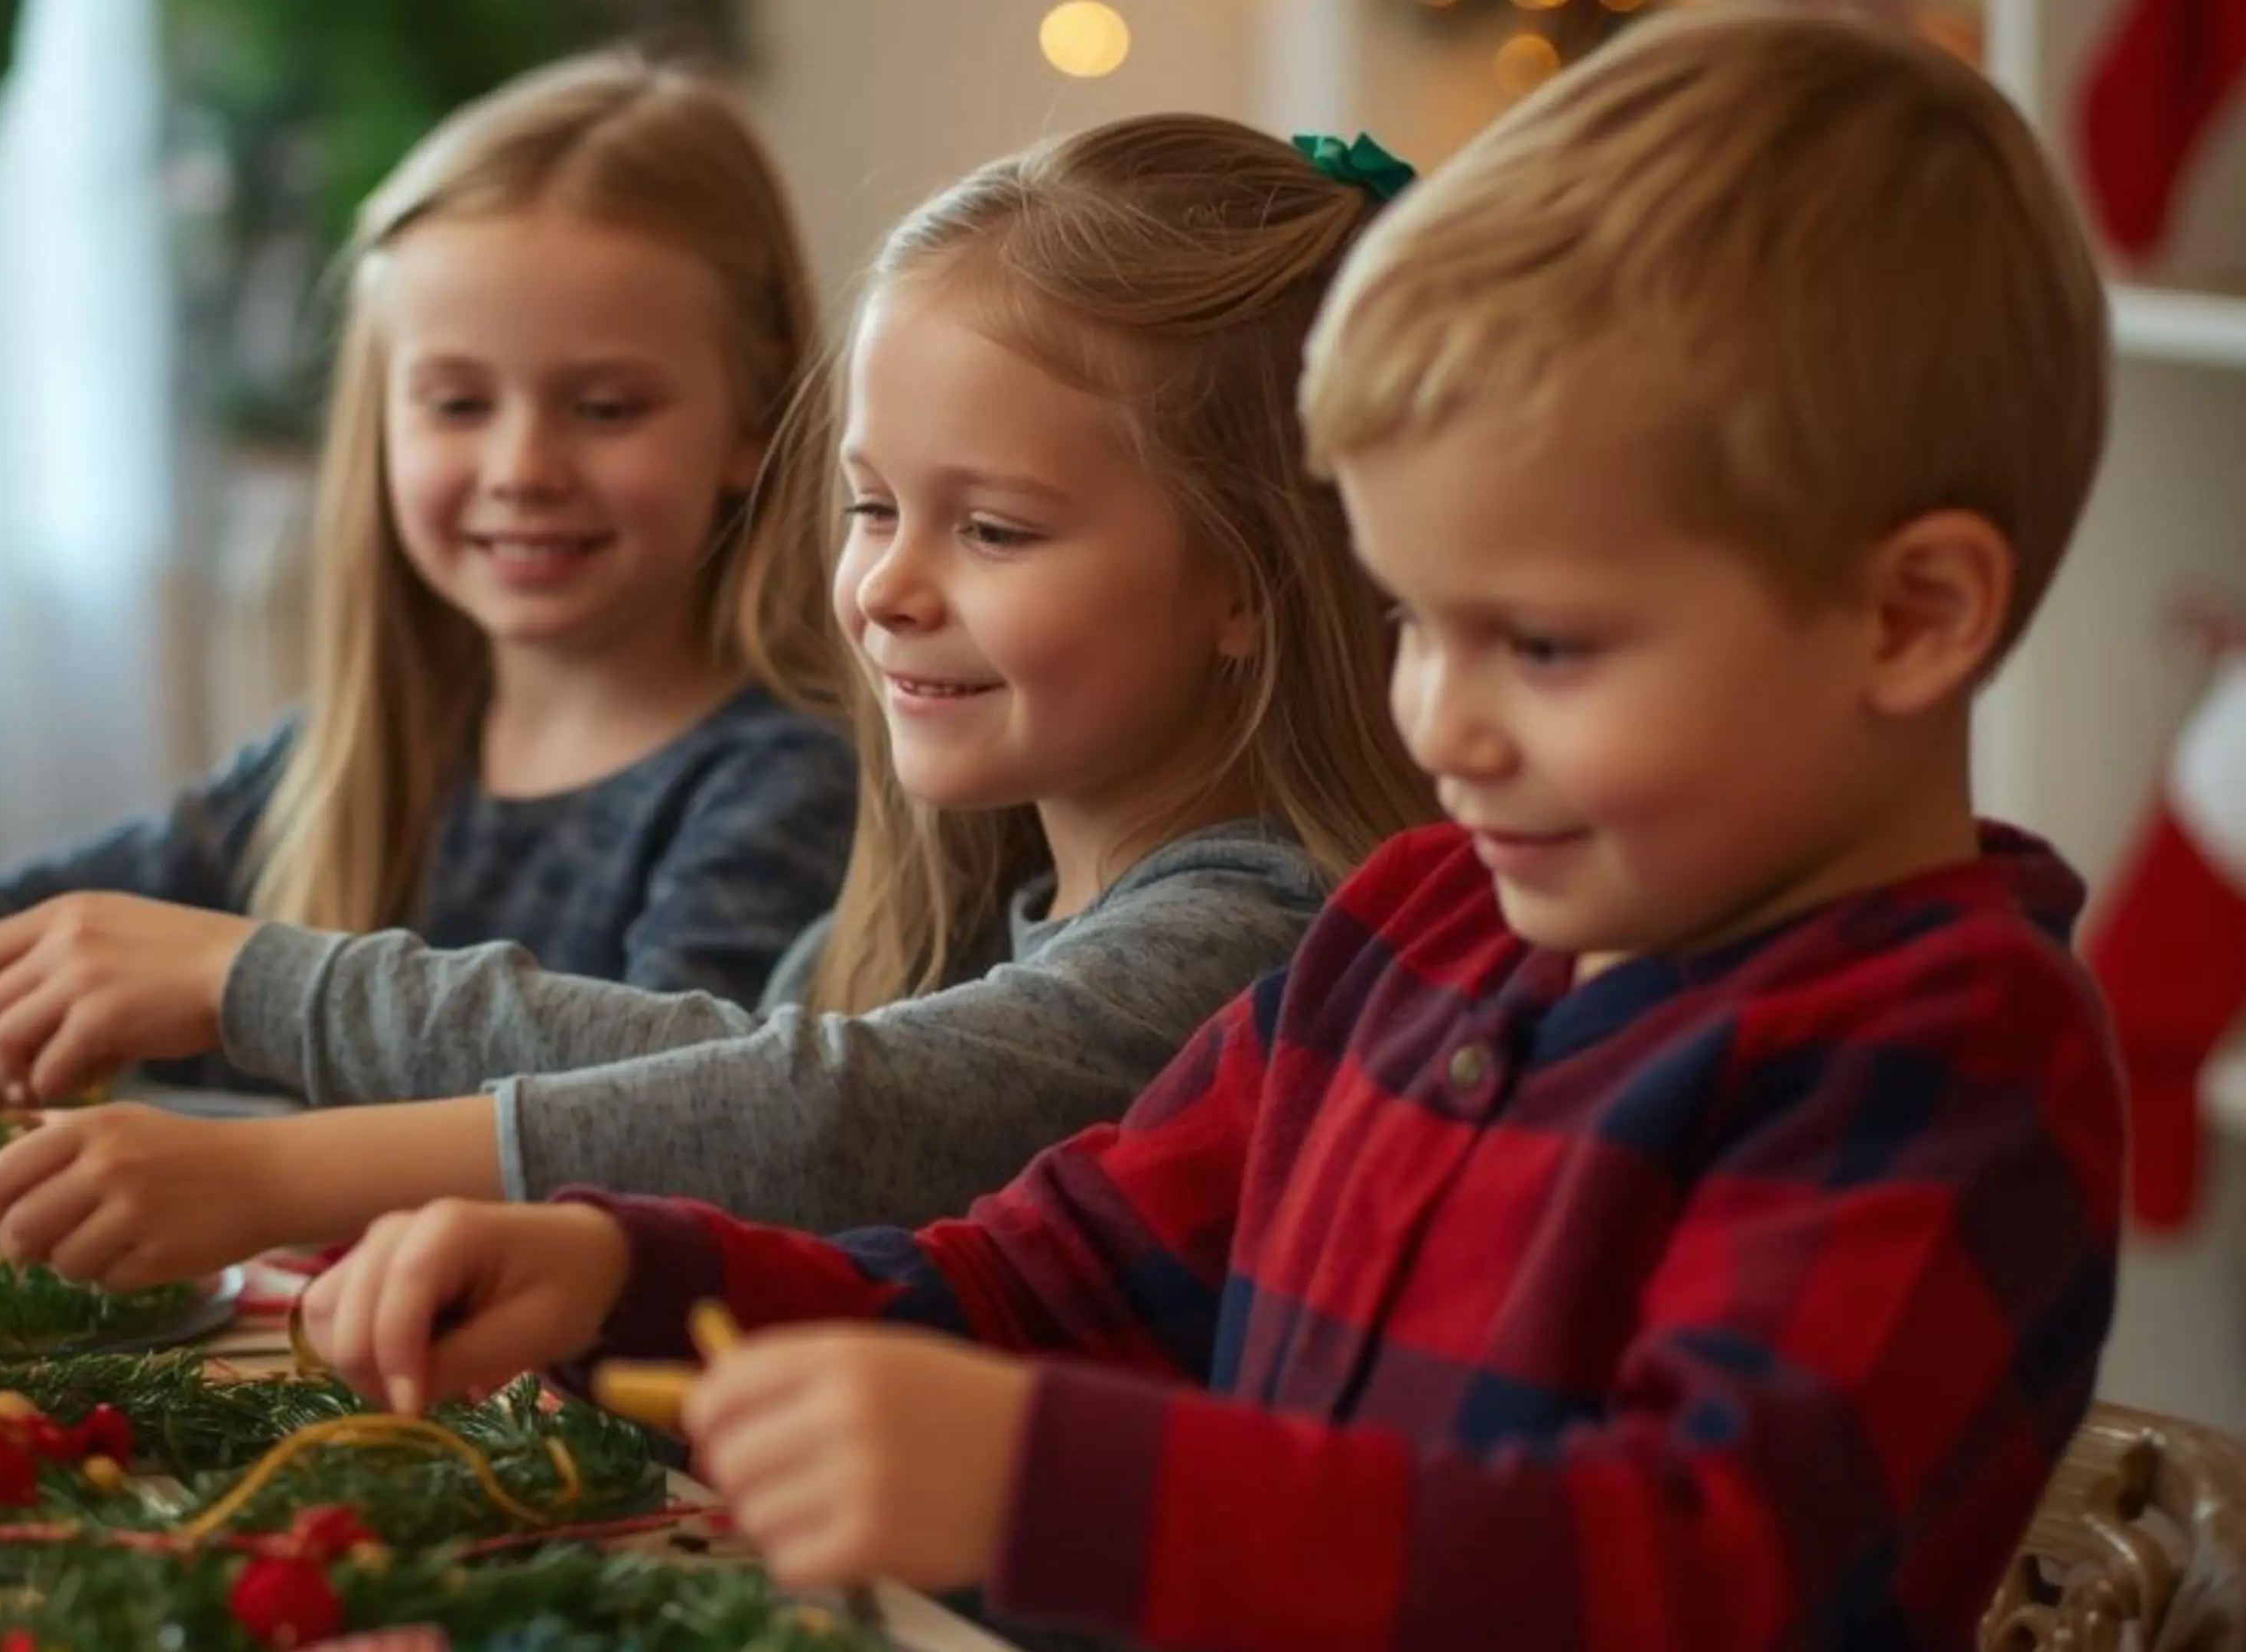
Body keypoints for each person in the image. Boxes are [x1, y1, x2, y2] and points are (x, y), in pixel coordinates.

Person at [297, 11, 2126, 1648]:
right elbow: (1041, 1279)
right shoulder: (1418, 928)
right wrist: (634, 1271)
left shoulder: (1944, 1053)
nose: (1440, 721)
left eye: (1544, 645)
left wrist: (1043, 1484)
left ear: (1911, 618)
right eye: (1413, 622)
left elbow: (1678, 1574)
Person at [0, 115, 1437, 1281]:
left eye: (991, 528)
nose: (889, 590)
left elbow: (824, 1117)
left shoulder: (1273, 934)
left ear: (1251, 574)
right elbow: (700, 1086)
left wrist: (269, 1031)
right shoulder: (970, 908)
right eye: (869, 509)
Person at [0, 52, 858, 1109]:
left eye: (605, 409)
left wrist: (240, 1017)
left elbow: (677, 1115)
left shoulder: (786, 783)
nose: (522, 471)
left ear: (757, 417)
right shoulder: (347, 757)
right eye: (459, 405)